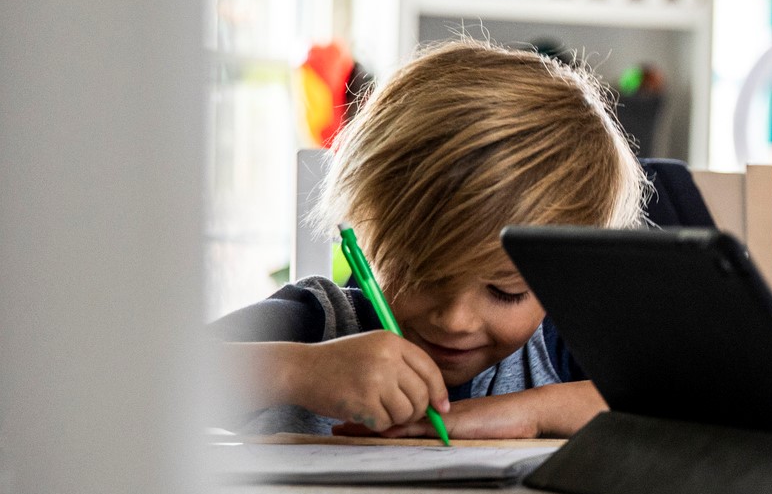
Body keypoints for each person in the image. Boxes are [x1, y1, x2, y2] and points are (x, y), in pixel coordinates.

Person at [213, 39, 643, 439]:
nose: (455, 320)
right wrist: (299, 371)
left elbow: (678, 410)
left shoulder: (559, 344)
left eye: (505, 291)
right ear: (367, 225)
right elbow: (171, 374)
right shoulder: (320, 325)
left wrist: (531, 412)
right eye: (423, 274)